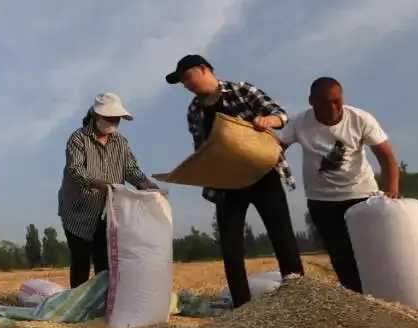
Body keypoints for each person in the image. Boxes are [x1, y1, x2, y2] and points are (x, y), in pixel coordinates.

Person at [166, 54, 304, 308]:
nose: (186, 85)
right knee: (230, 246)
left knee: (281, 235)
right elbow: (201, 148)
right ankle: (242, 307)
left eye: (188, 77)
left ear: (205, 69)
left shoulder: (241, 90)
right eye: (183, 82)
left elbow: (280, 115)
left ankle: (299, 297)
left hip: (262, 173)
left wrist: (267, 121)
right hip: (225, 183)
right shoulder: (194, 110)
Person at [280, 77, 400, 293]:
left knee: (371, 250)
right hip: (322, 201)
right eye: (327, 102)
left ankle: (384, 295)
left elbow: (387, 157)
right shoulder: (299, 123)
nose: (334, 107)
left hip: (362, 195)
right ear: (312, 101)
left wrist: (391, 189)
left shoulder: (360, 118)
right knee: (340, 256)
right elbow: (276, 148)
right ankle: (358, 300)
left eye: (338, 101)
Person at [57, 92, 157, 289]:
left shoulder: (121, 143)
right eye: (109, 118)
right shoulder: (78, 139)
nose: (113, 122)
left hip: (107, 211)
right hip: (77, 210)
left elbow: (131, 169)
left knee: (105, 262)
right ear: (96, 116)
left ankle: (103, 304)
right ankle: (78, 306)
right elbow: (75, 170)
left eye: (116, 119)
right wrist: (100, 184)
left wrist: (145, 184)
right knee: (81, 261)